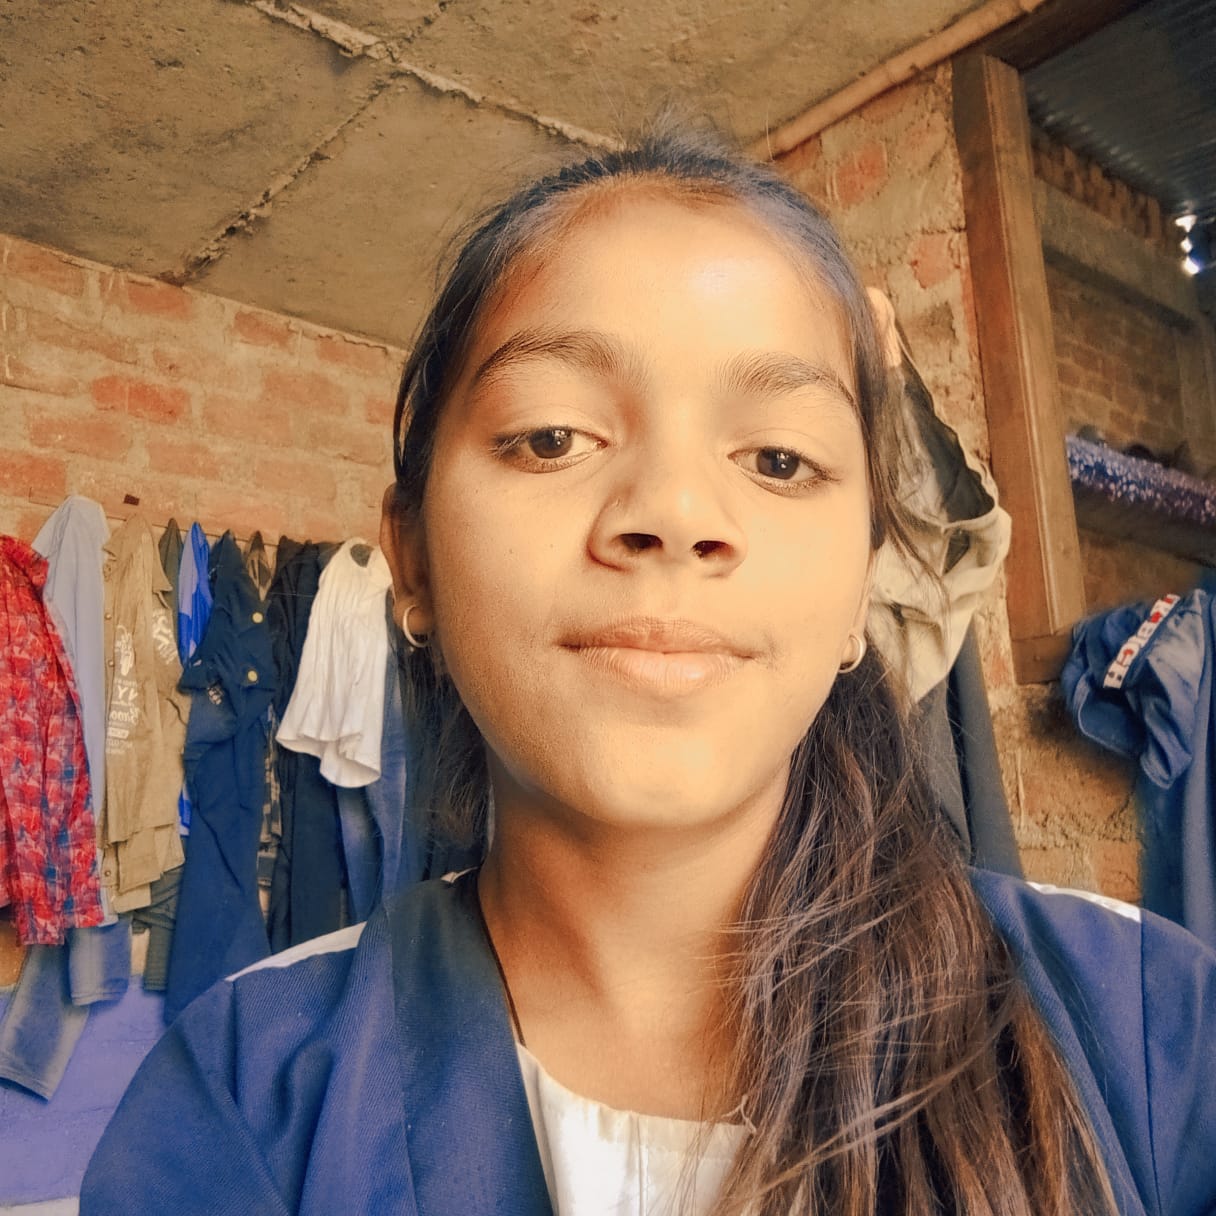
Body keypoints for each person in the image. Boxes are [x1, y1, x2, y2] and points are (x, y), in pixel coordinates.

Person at [79, 123, 1215, 1216]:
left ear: (859, 590)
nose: (673, 512)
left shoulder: (1151, 1029)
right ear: (412, 557)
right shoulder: (245, 1093)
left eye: (780, 459)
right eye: (552, 437)